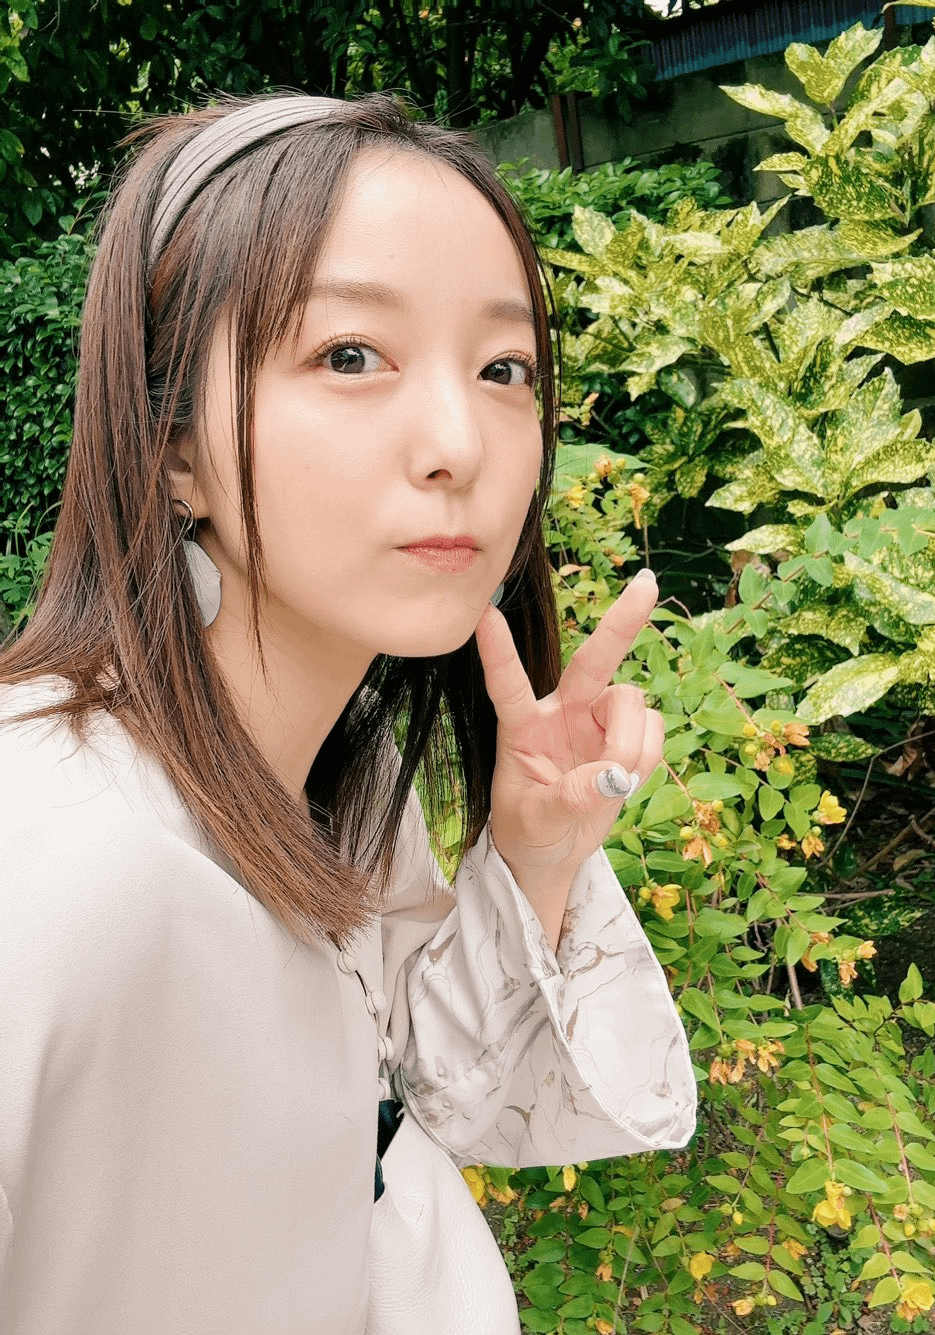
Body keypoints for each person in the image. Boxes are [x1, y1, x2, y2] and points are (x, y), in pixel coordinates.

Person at [0, 93, 697, 1334]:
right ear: (173, 446)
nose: (458, 443)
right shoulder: (52, 851)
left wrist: (533, 858)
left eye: (503, 369)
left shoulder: (343, 774)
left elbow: (423, 1098)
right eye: (350, 356)